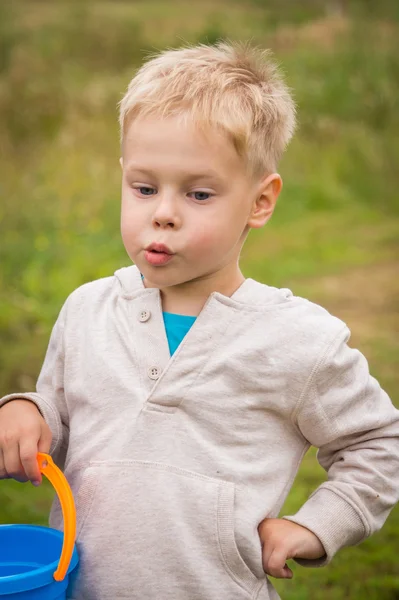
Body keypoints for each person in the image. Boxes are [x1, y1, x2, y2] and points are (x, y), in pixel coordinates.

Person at [0, 41, 398, 600]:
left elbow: (379, 443)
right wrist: (25, 411)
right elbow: (61, 424)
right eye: (143, 188)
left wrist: (316, 525)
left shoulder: (299, 341)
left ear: (260, 201)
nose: (163, 211)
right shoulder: (86, 311)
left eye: (199, 193)